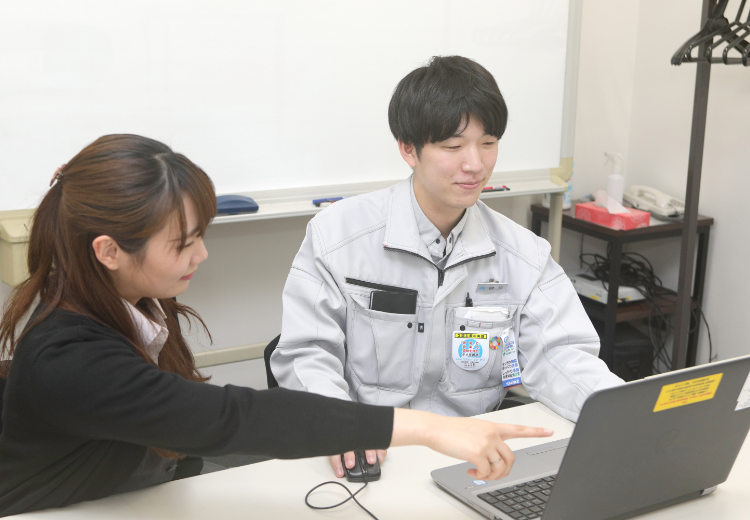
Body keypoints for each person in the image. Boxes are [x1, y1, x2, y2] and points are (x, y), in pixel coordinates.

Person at [0, 134, 552, 517]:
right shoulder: (68, 360)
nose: (202, 255)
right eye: (183, 243)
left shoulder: (132, 299)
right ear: (109, 250)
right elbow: (231, 417)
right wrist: (430, 427)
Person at [269, 56, 625, 478]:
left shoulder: (523, 254)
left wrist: (625, 418)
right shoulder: (338, 237)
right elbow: (308, 352)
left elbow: (559, 357)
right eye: (453, 146)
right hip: (373, 452)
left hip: (474, 457)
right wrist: (345, 424)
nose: (475, 164)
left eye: (488, 143)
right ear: (408, 148)